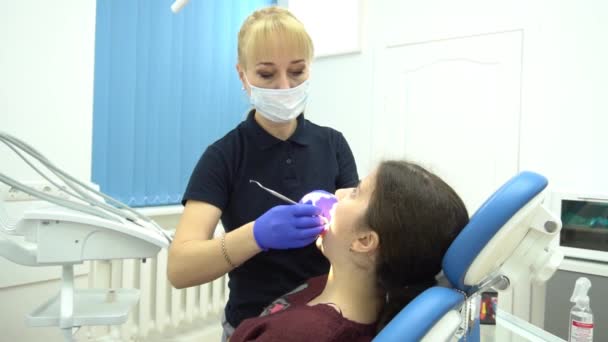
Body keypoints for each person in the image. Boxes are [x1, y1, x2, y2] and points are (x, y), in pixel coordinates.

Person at [167, 6, 359, 340]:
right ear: (243, 76)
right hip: (254, 326)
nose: (285, 86)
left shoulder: (333, 144)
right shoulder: (223, 157)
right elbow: (180, 268)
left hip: (327, 318)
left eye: (297, 71)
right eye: (267, 75)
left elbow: (359, 234)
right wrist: (255, 235)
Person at [230, 160, 470, 341]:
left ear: (364, 241)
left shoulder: (300, 335)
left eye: (355, 191)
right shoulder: (358, 298)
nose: (338, 194)